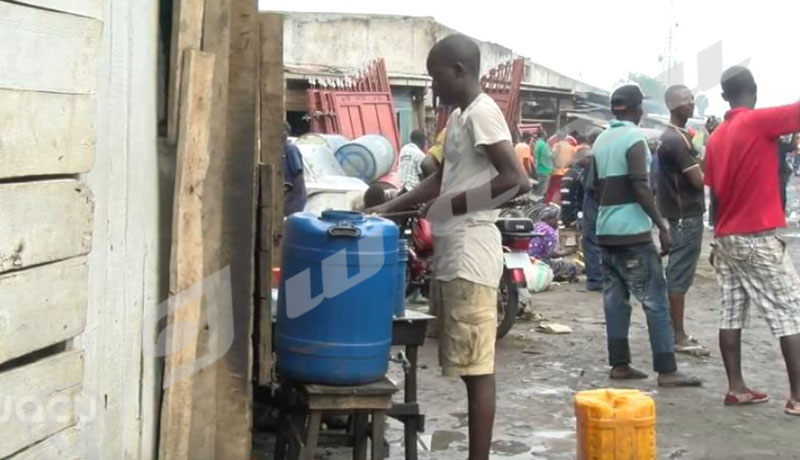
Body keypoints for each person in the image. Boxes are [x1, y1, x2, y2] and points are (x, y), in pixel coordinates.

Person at [366, 34, 530, 458]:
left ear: (459, 72)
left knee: (478, 369)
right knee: (466, 364)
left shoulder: (483, 114)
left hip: (473, 250)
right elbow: (440, 180)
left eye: (435, 77)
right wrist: (390, 209)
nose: (432, 86)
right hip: (454, 250)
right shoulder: (458, 119)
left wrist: (450, 207)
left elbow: (515, 181)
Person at [704, 66, 800, 413]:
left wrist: (718, 238)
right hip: (755, 233)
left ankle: (737, 387)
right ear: (754, 90)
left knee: (731, 312)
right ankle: (798, 397)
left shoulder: (715, 138)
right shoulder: (758, 122)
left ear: (725, 96)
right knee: (791, 311)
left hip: (726, 235)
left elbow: (714, 195)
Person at [592, 84, 701, 387]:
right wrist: (662, 226)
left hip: (605, 230)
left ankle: (620, 364)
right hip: (632, 233)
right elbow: (640, 185)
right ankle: (667, 369)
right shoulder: (635, 139)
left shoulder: (601, 140)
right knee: (655, 300)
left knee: (615, 300)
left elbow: (594, 188)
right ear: (638, 109)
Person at [656, 85, 709, 357]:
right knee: (678, 277)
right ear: (676, 105)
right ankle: (677, 336)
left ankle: (673, 331)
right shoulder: (677, 141)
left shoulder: (672, 137)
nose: (692, 104)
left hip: (677, 215)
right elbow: (699, 180)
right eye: (688, 100)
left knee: (676, 275)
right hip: (685, 215)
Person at [527, 204, 579, 282]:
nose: (558, 223)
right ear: (549, 219)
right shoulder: (549, 231)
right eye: (556, 220)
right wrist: (568, 252)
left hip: (528, 261)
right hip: (540, 263)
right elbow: (551, 254)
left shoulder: (535, 226)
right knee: (571, 267)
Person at [545, 131, 577, 204]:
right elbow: (574, 161)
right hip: (568, 173)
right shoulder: (572, 148)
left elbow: (551, 157)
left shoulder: (556, 146)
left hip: (556, 172)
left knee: (552, 192)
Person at [282, 122, 306, 216]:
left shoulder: (290, 149)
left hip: (293, 198)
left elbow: (297, 173)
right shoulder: (277, 150)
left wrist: (291, 196)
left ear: (286, 133)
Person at [533, 129, 554, 197]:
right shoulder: (543, 144)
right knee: (541, 191)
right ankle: (537, 204)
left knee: (539, 189)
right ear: (543, 135)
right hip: (545, 170)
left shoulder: (537, 143)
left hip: (539, 168)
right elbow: (550, 155)